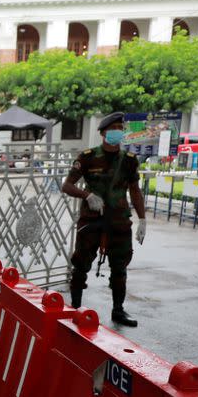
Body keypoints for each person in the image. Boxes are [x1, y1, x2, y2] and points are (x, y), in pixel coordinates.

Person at [61, 111, 146, 327]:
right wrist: (87, 195)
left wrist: (143, 219)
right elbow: (67, 185)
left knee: (120, 268)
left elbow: (135, 191)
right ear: (103, 133)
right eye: (113, 129)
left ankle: (118, 310)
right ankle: (76, 307)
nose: (117, 132)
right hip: (92, 220)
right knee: (81, 264)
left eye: (120, 129)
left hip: (119, 221)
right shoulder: (88, 157)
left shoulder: (129, 161)